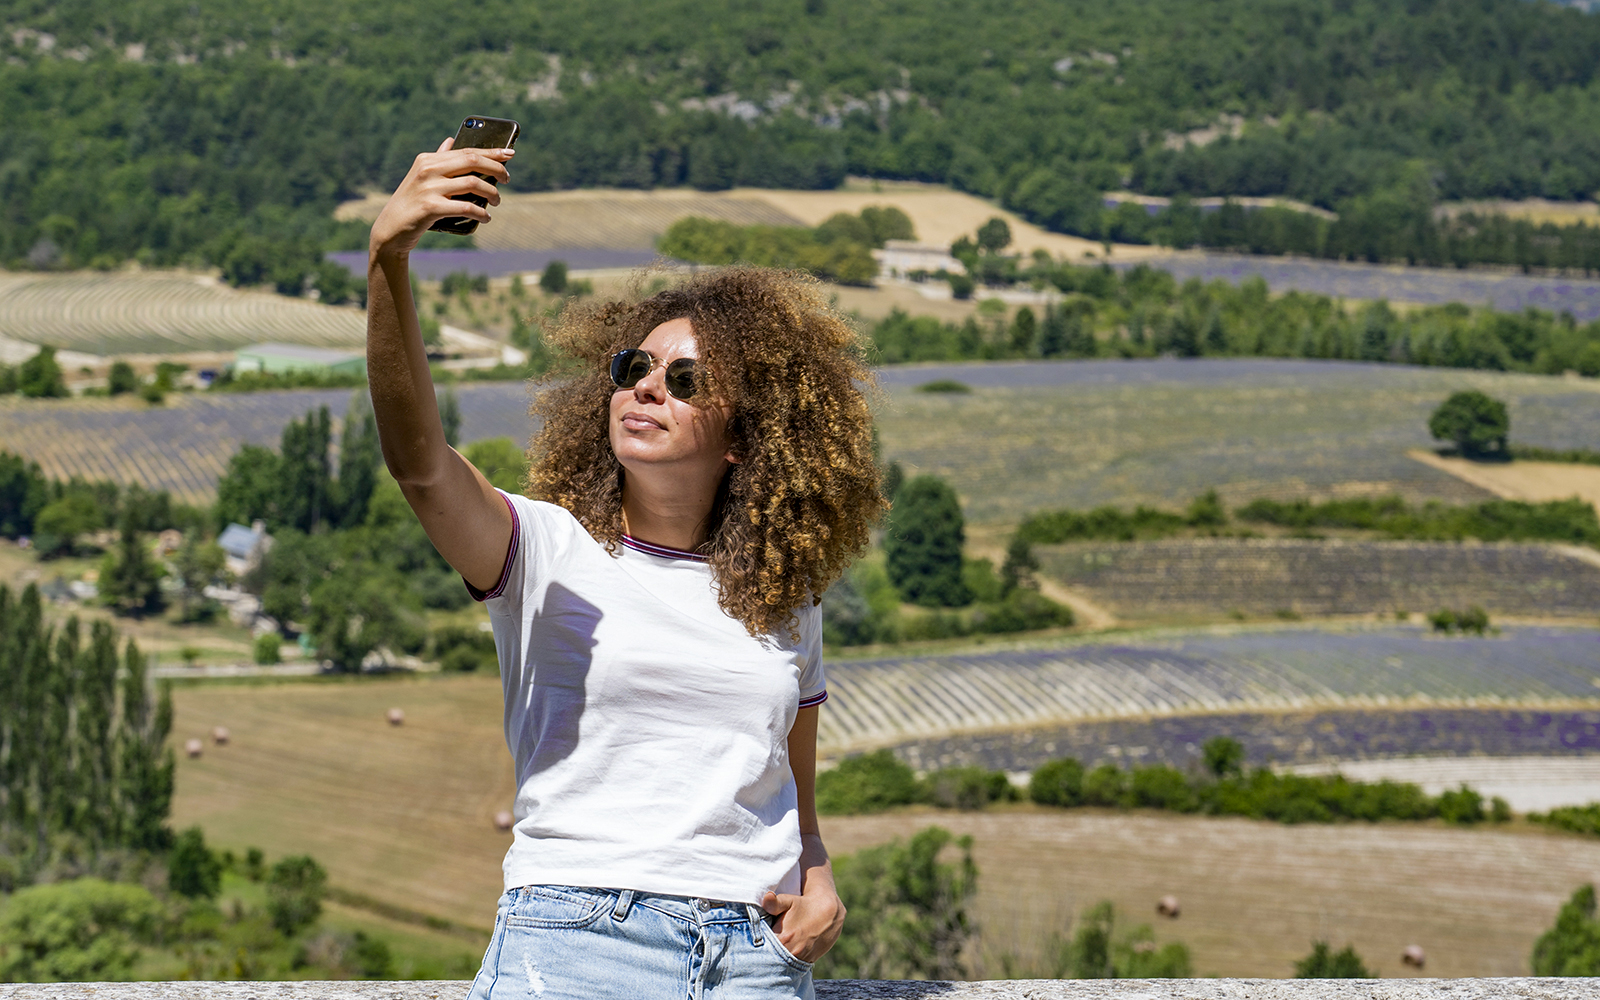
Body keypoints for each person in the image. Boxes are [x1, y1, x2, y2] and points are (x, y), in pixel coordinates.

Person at [365, 137, 885, 999]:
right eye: (632, 368)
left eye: (685, 379)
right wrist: (389, 260)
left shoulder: (785, 594)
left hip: (754, 952)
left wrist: (818, 869)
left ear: (744, 437)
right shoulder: (539, 552)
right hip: (575, 941)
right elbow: (418, 463)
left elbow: (787, 761)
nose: (647, 387)